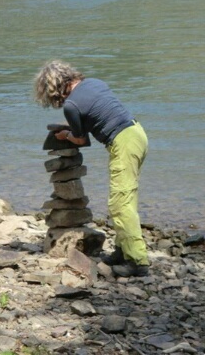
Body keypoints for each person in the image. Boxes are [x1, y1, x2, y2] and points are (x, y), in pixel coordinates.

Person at [34, 60, 149, 277]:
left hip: (124, 143)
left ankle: (137, 262)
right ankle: (123, 250)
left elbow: (80, 140)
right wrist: (73, 129)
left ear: (54, 88)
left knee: (120, 203)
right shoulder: (94, 83)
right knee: (126, 197)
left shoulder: (71, 106)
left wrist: (66, 135)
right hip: (137, 133)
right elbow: (95, 115)